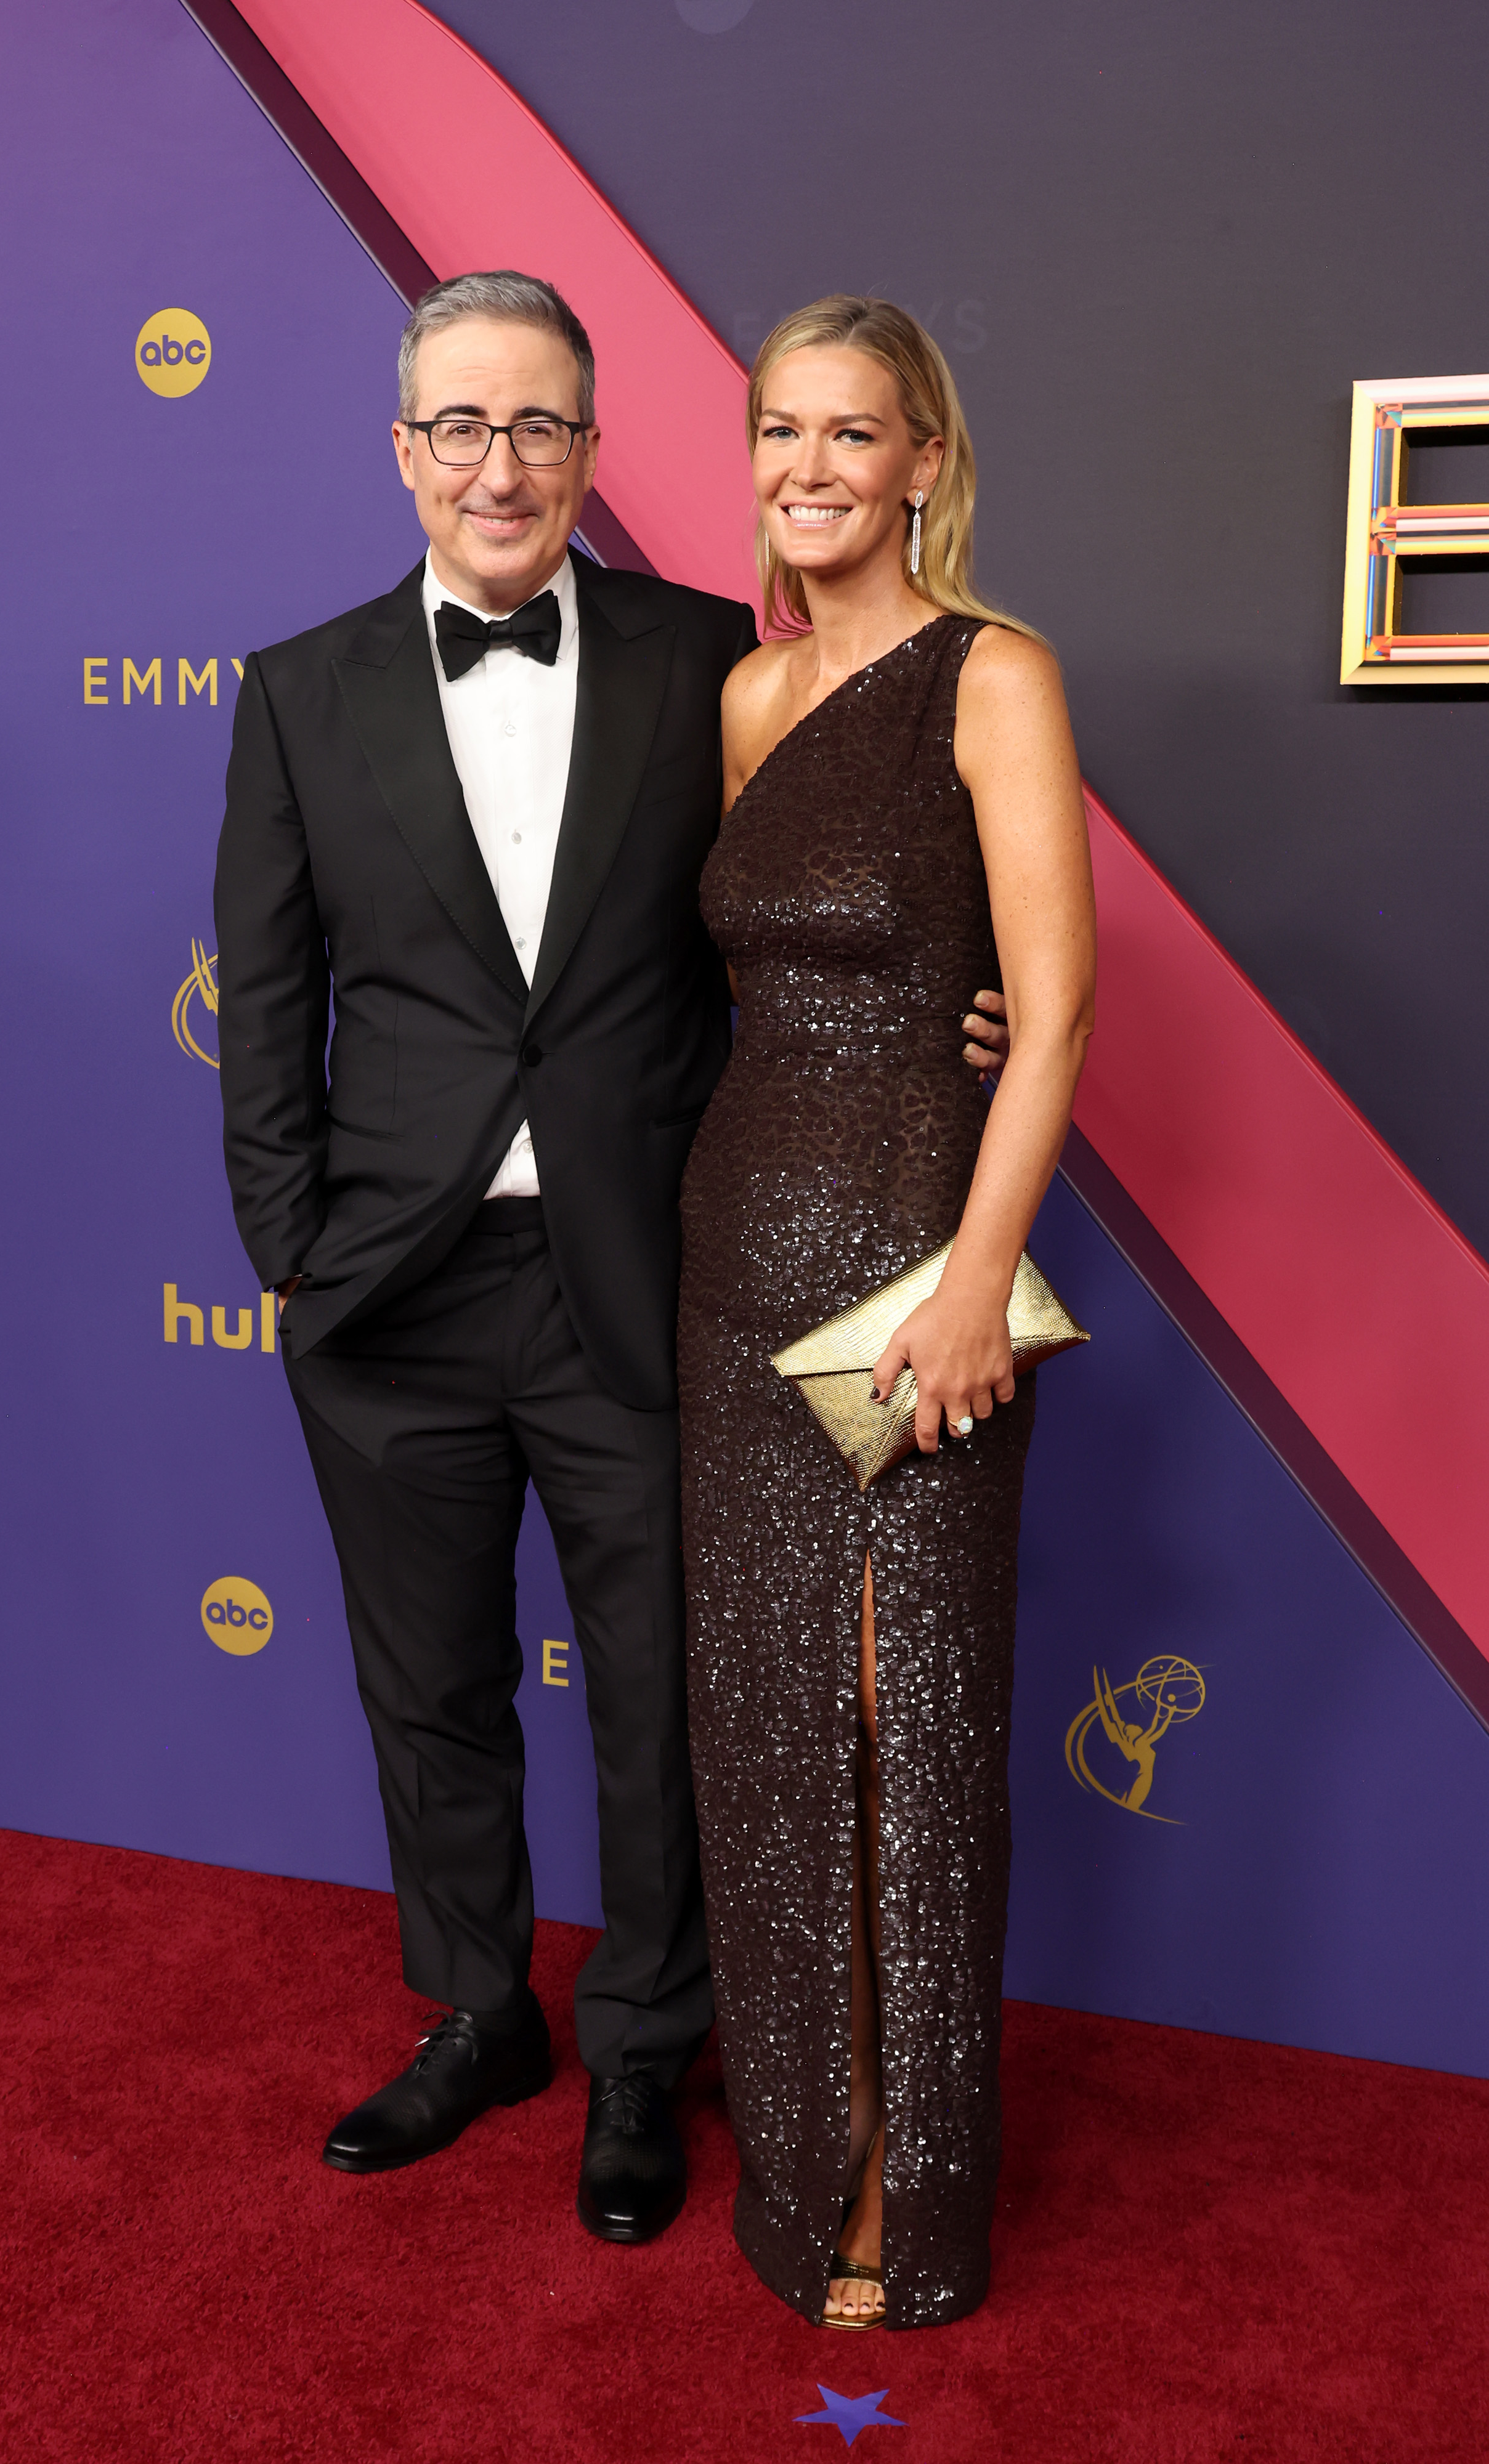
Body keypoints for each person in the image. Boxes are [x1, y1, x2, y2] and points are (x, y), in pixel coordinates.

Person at [214, 270, 1010, 2246]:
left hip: (639, 1278)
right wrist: (294, 1259)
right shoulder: (297, 689)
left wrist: (948, 1016)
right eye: (463, 426)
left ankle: (649, 2049)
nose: (502, 464)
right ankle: (482, 2014)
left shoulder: (710, 665)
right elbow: (263, 1006)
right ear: (406, 451)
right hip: (385, 1292)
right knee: (432, 1686)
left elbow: (819, 902)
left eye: (542, 424)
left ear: (592, 448)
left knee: (659, 1694)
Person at [678, 297, 1095, 2329]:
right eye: (779, 430)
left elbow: (1056, 1003)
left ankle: (908, 2200)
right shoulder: (752, 698)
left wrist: (963, 1293)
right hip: (733, 1250)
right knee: (766, 1728)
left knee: (900, 1723)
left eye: (853, 433)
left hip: (916, 1273)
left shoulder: (993, 674)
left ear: (925, 458)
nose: (809, 467)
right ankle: (795, 2169)